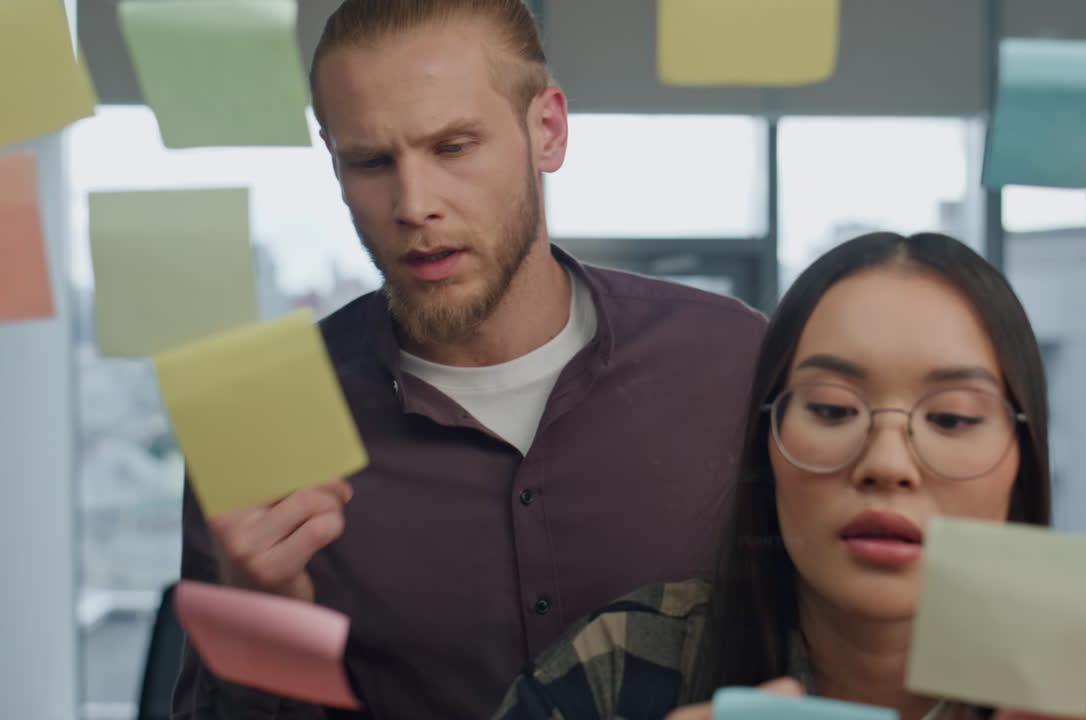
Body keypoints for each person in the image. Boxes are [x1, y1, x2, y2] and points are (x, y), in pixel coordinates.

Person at [171, 1, 766, 718]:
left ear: (546, 130)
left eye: (452, 147)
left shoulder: (735, 363)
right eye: (370, 161)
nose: (414, 204)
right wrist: (262, 621)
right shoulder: (257, 419)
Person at [490, 232, 1086, 720]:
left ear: (1021, 466)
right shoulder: (623, 664)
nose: (886, 465)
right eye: (834, 409)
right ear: (767, 444)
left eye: (954, 420)